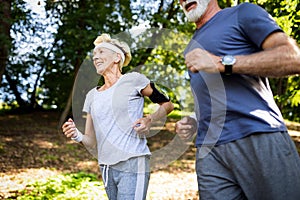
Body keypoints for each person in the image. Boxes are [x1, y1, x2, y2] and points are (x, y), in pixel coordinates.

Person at [175, 0, 300, 199]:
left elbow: (293, 58)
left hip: (256, 132)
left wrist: (223, 62)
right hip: (209, 150)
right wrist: (193, 120)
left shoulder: (243, 12)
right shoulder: (191, 45)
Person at [62, 33, 174, 200]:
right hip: (106, 167)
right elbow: (91, 141)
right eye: (94, 55)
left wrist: (149, 119)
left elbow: (168, 104)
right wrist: (76, 135)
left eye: (100, 52)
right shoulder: (92, 95)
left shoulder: (133, 80)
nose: (95, 57)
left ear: (116, 57)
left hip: (133, 161)